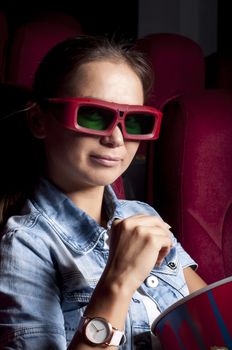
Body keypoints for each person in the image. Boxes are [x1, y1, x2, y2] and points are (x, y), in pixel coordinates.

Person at [0, 35, 206, 350]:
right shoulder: (24, 245)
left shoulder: (144, 215)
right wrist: (118, 282)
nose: (117, 139)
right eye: (93, 115)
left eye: (135, 121)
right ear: (39, 120)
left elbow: (215, 320)